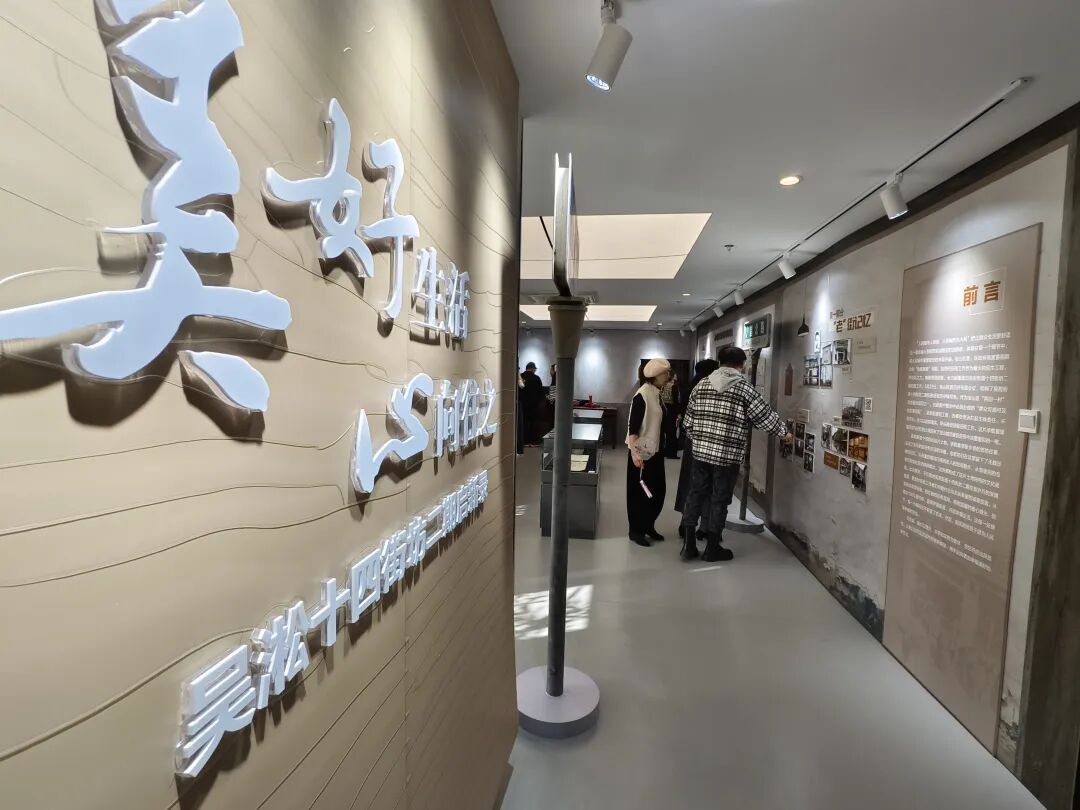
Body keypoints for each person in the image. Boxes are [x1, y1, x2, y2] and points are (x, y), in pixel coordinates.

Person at [680, 346, 789, 562]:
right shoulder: (743, 388)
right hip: (726, 455)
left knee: (695, 493)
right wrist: (784, 433)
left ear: (720, 362)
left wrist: (700, 441)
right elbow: (763, 415)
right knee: (720, 498)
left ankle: (688, 545)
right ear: (741, 364)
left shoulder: (701, 385)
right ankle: (712, 548)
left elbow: (688, 422)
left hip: (700, 453)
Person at [626, 358, 672, 547]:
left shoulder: (656, 394)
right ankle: (636, 531)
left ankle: (648, 525)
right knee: (639, 493)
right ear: (655, 375)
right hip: (642, 454)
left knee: (656, 491)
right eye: (665, 373)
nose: (668, 376)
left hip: (655, 451)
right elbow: (633, 428)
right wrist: (635, 454)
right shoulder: (642, 395)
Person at [675, 358, 719, 541]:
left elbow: (685, 416)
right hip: (711, 443)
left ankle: (686, 525)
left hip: (692, 441)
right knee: (710, 485)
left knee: (690, 484)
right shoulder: (712, 388)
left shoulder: (692, 387)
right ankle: (705, 527)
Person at [520, 362, 545, 445]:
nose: (535, 371)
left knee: (523, 423)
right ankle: (533, 440)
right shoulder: (536, 378)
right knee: (533, 423)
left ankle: (523, 440)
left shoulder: (521, 377)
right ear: (532, 369)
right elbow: (541, 392)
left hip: (522, 405)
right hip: (534, 405)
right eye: (535, 369)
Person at [660, 369, 681, 458]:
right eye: (675, 375)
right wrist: (679, 413)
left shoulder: (663, 386)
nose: (676, 377)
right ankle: (672, 453)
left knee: (666, 432)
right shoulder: (674, 386)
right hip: (672, 410)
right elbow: (676, 401)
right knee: (672, 433)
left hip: (664, 410)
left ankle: (665, 451)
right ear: (672, 376)